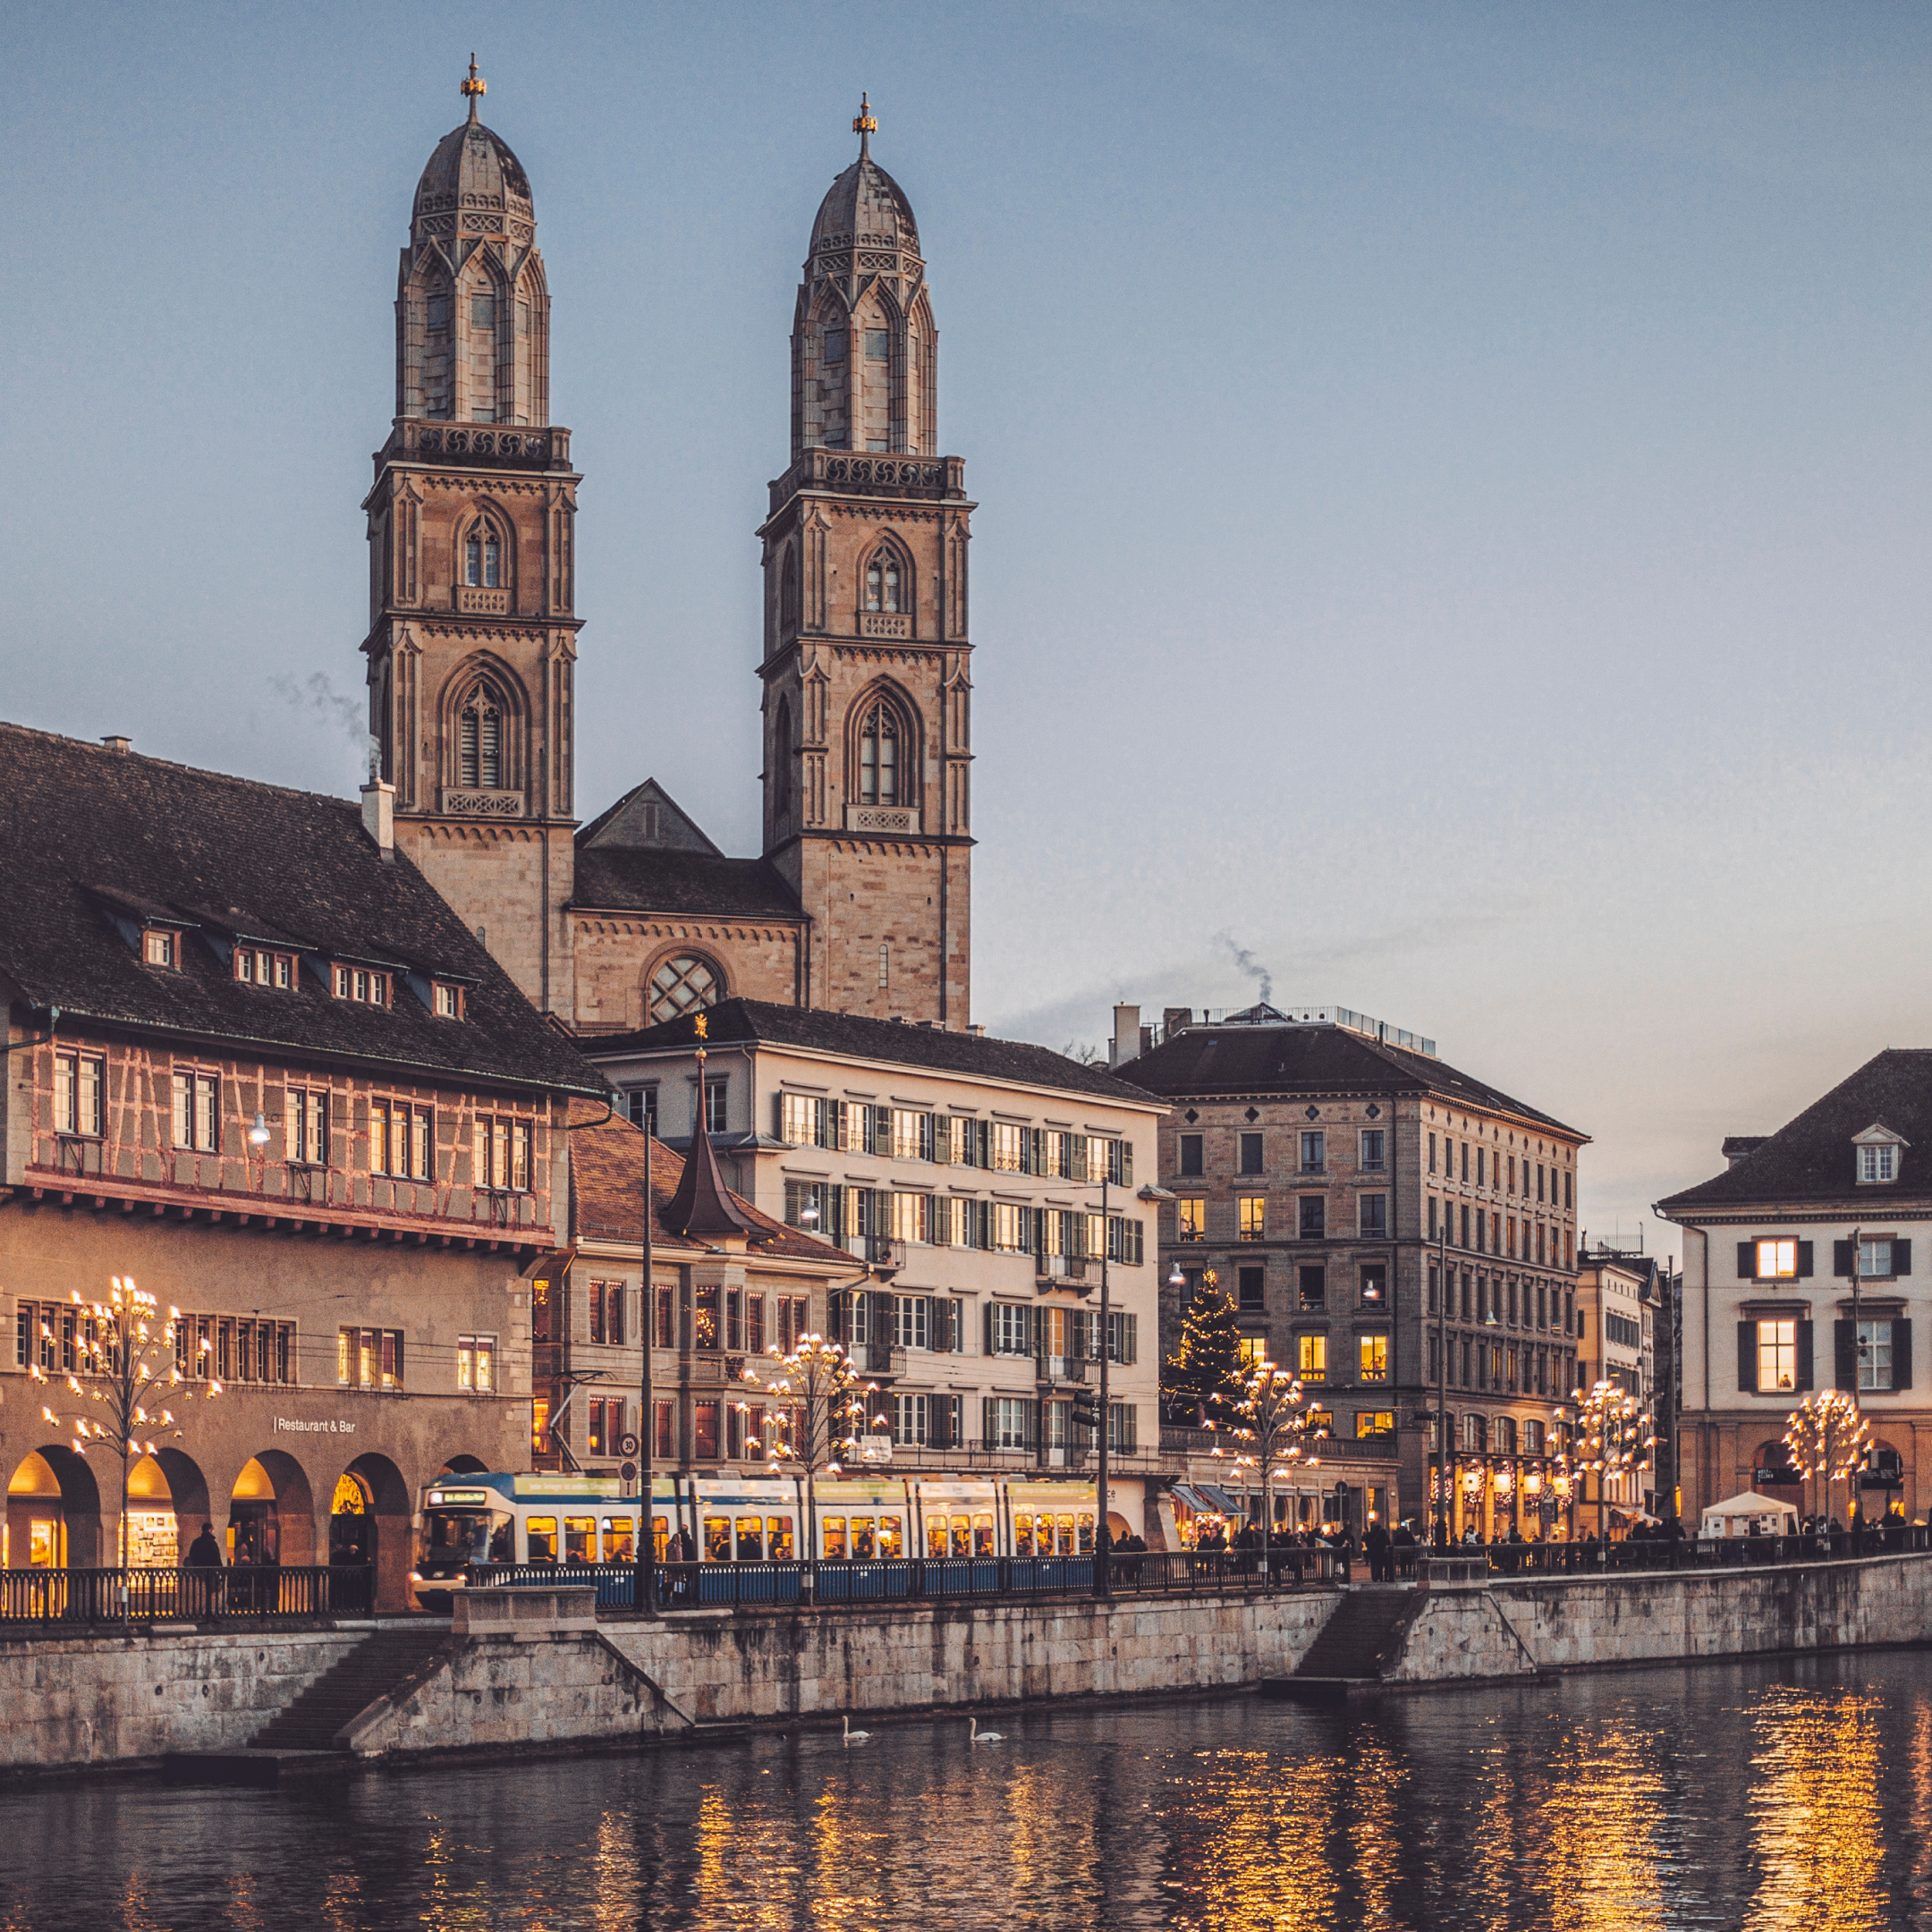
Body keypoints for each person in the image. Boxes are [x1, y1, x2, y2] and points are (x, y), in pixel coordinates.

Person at [1364, 1519, 1391, 1584]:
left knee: (1375, 1565)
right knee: (1384, 1566)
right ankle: (1384, 1578)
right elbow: (1389, 1543)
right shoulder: (1383, 1535)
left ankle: (1375, 1577)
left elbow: (1366, 1542)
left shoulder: (1370, 1534)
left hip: (1373, 1552)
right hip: (1382, 1552)